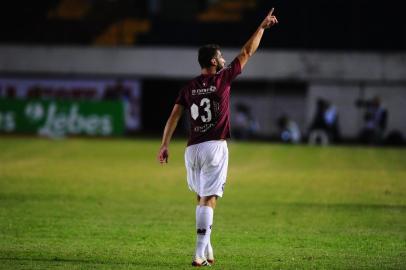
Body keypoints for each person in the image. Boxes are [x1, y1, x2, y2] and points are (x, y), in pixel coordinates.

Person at [157, 9, 278, 267]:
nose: (223, 59)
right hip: (214, 147)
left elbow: (173, 117)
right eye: (220, 56)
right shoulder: (223, 78)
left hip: (192, 150)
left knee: (202, 197)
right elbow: (247, 52)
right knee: (209, 199)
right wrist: (262, 27)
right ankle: (199, 253)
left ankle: (207, 247)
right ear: (212, 61)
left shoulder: (188, 87)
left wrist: (164, 145)